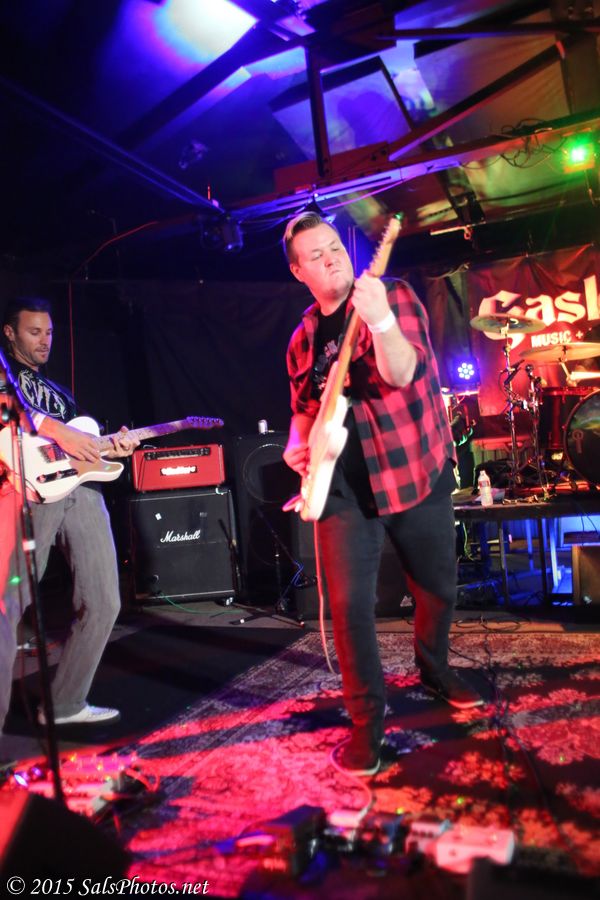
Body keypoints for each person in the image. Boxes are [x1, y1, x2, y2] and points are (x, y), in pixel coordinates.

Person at [282, 212, 482, 776]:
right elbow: (303, 408)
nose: (331, 258)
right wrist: (298, 444)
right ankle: (367, 722)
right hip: (345, 490)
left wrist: (382, 321)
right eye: (316, 255)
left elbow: (402, 371)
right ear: (299, 272)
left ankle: (434, 669)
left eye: (334, 246)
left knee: (437, 590)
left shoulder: (390, 295)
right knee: (349, 609)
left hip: (413, 469)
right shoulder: (302, 338)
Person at [0, 297, 138, 748]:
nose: (45, 341)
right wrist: (56, 434)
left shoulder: (59, 392)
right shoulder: (5, 375)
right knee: (10, 604)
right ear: (9, 333)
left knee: (104, 600)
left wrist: (109, 448)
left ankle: (65, 703)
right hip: (29, 488)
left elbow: (77, 446)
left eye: (50, 333)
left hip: (81, 490)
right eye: (34, 332)